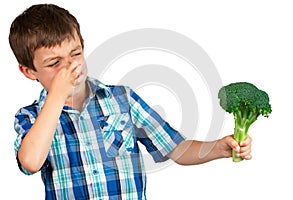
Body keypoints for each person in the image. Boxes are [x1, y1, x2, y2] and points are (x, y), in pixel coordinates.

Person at [9, 4, 252, 200]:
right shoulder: (31, 117)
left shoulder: (122, 99)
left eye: (75, 54)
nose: (70, 68)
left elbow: (176, 148)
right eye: (54, 64)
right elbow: (30, 162)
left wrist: (218, 147)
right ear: (29, 71)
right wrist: (58, 96)